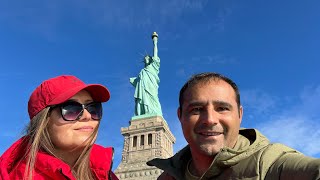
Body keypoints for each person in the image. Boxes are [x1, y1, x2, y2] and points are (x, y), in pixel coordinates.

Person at [147, 72, 320, 180]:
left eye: (222, 108)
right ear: (180, 116)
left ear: (240, 115)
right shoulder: (169, 175)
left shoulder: (268, 164)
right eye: (197, 109)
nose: (210, 119)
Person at [0, 75, 119, 180]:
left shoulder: (105, 174)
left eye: (93, 108)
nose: (87, 116)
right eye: (72, 109)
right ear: (44, 121)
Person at [129, 32, 162, 117]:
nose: (146, 58)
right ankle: (142, 113)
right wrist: (134, 80)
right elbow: (138, 82)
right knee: (142, 99)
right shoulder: (143, 71)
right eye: (145, 58)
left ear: (151, 59)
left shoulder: (154, 66)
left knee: (153, 99)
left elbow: (155, 53)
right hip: (142, 90)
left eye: (148, 57)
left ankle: (152, 112)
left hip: (151, 88)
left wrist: (155, 41)